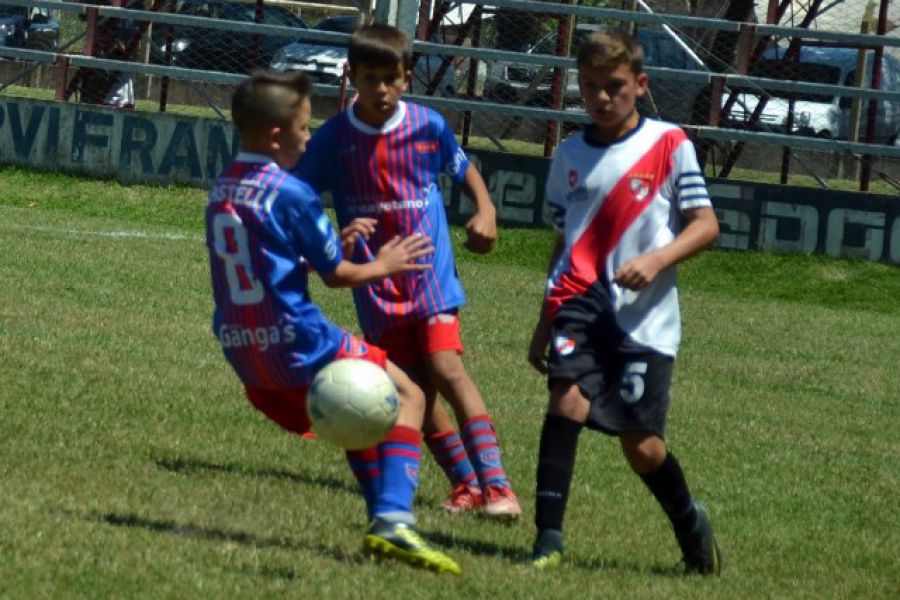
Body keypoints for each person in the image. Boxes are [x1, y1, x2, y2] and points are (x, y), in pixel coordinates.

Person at [206, 69, 460, 574]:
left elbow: (261, 261)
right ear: (277, 135)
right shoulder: (290, 192)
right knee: (407, 393)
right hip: (300, 337)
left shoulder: (223, 186)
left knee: (356, 410)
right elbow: (339, 276)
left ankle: (384, 525)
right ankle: (394, 520)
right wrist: (383, 265)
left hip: (243, 346)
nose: (309, 134)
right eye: (304, 126)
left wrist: (321, 253)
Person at [295, 24, 521, 519]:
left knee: (446, 368)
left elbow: (465, 170)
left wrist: (485, 210)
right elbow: (300, 199)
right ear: (351, 75)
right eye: (370, 78)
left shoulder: (428, 125)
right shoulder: (333, 140)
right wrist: (317, 248)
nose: (380, 89)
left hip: (429, 273)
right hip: (376, 283)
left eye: (390, 78)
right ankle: (466, 484)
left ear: (408, 77)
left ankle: (498, 486)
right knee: (414, 392)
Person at [526, 30, 723, 575]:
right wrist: (543, 323)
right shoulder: (568, 155)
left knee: (642, 448)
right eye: (589, 87)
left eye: (614, 86)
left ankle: (690, 525)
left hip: (645, 322)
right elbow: (563, 246)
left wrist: (658, 260)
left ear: (640, 84)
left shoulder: (669, 144)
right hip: (580, 303)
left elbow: (706, 226)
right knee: (565, 400)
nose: (601, 98)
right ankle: (547, 541)